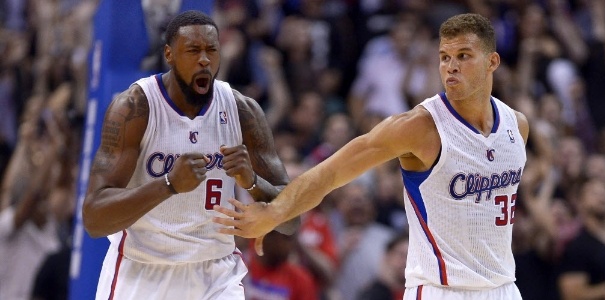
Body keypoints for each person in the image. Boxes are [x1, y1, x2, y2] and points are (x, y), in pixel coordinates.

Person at [214, 13, 530, 299]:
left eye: (464, 56)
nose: (451, 66)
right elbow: (330, 173)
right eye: (444, 57)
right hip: (442, 290)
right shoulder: (419, 127)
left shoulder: (517, 127)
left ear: (492, 62)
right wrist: (274, 213)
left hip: (503, 288)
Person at [82, 10, 297, 300]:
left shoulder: (243, 111)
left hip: (216, 274)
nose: (204, 59)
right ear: (169, 55)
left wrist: (252, 182)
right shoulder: (135, 108)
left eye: (212, 50)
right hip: (143, 271)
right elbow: (94, 218)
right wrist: (168, 185)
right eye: (193, 50)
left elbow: (290, 220)